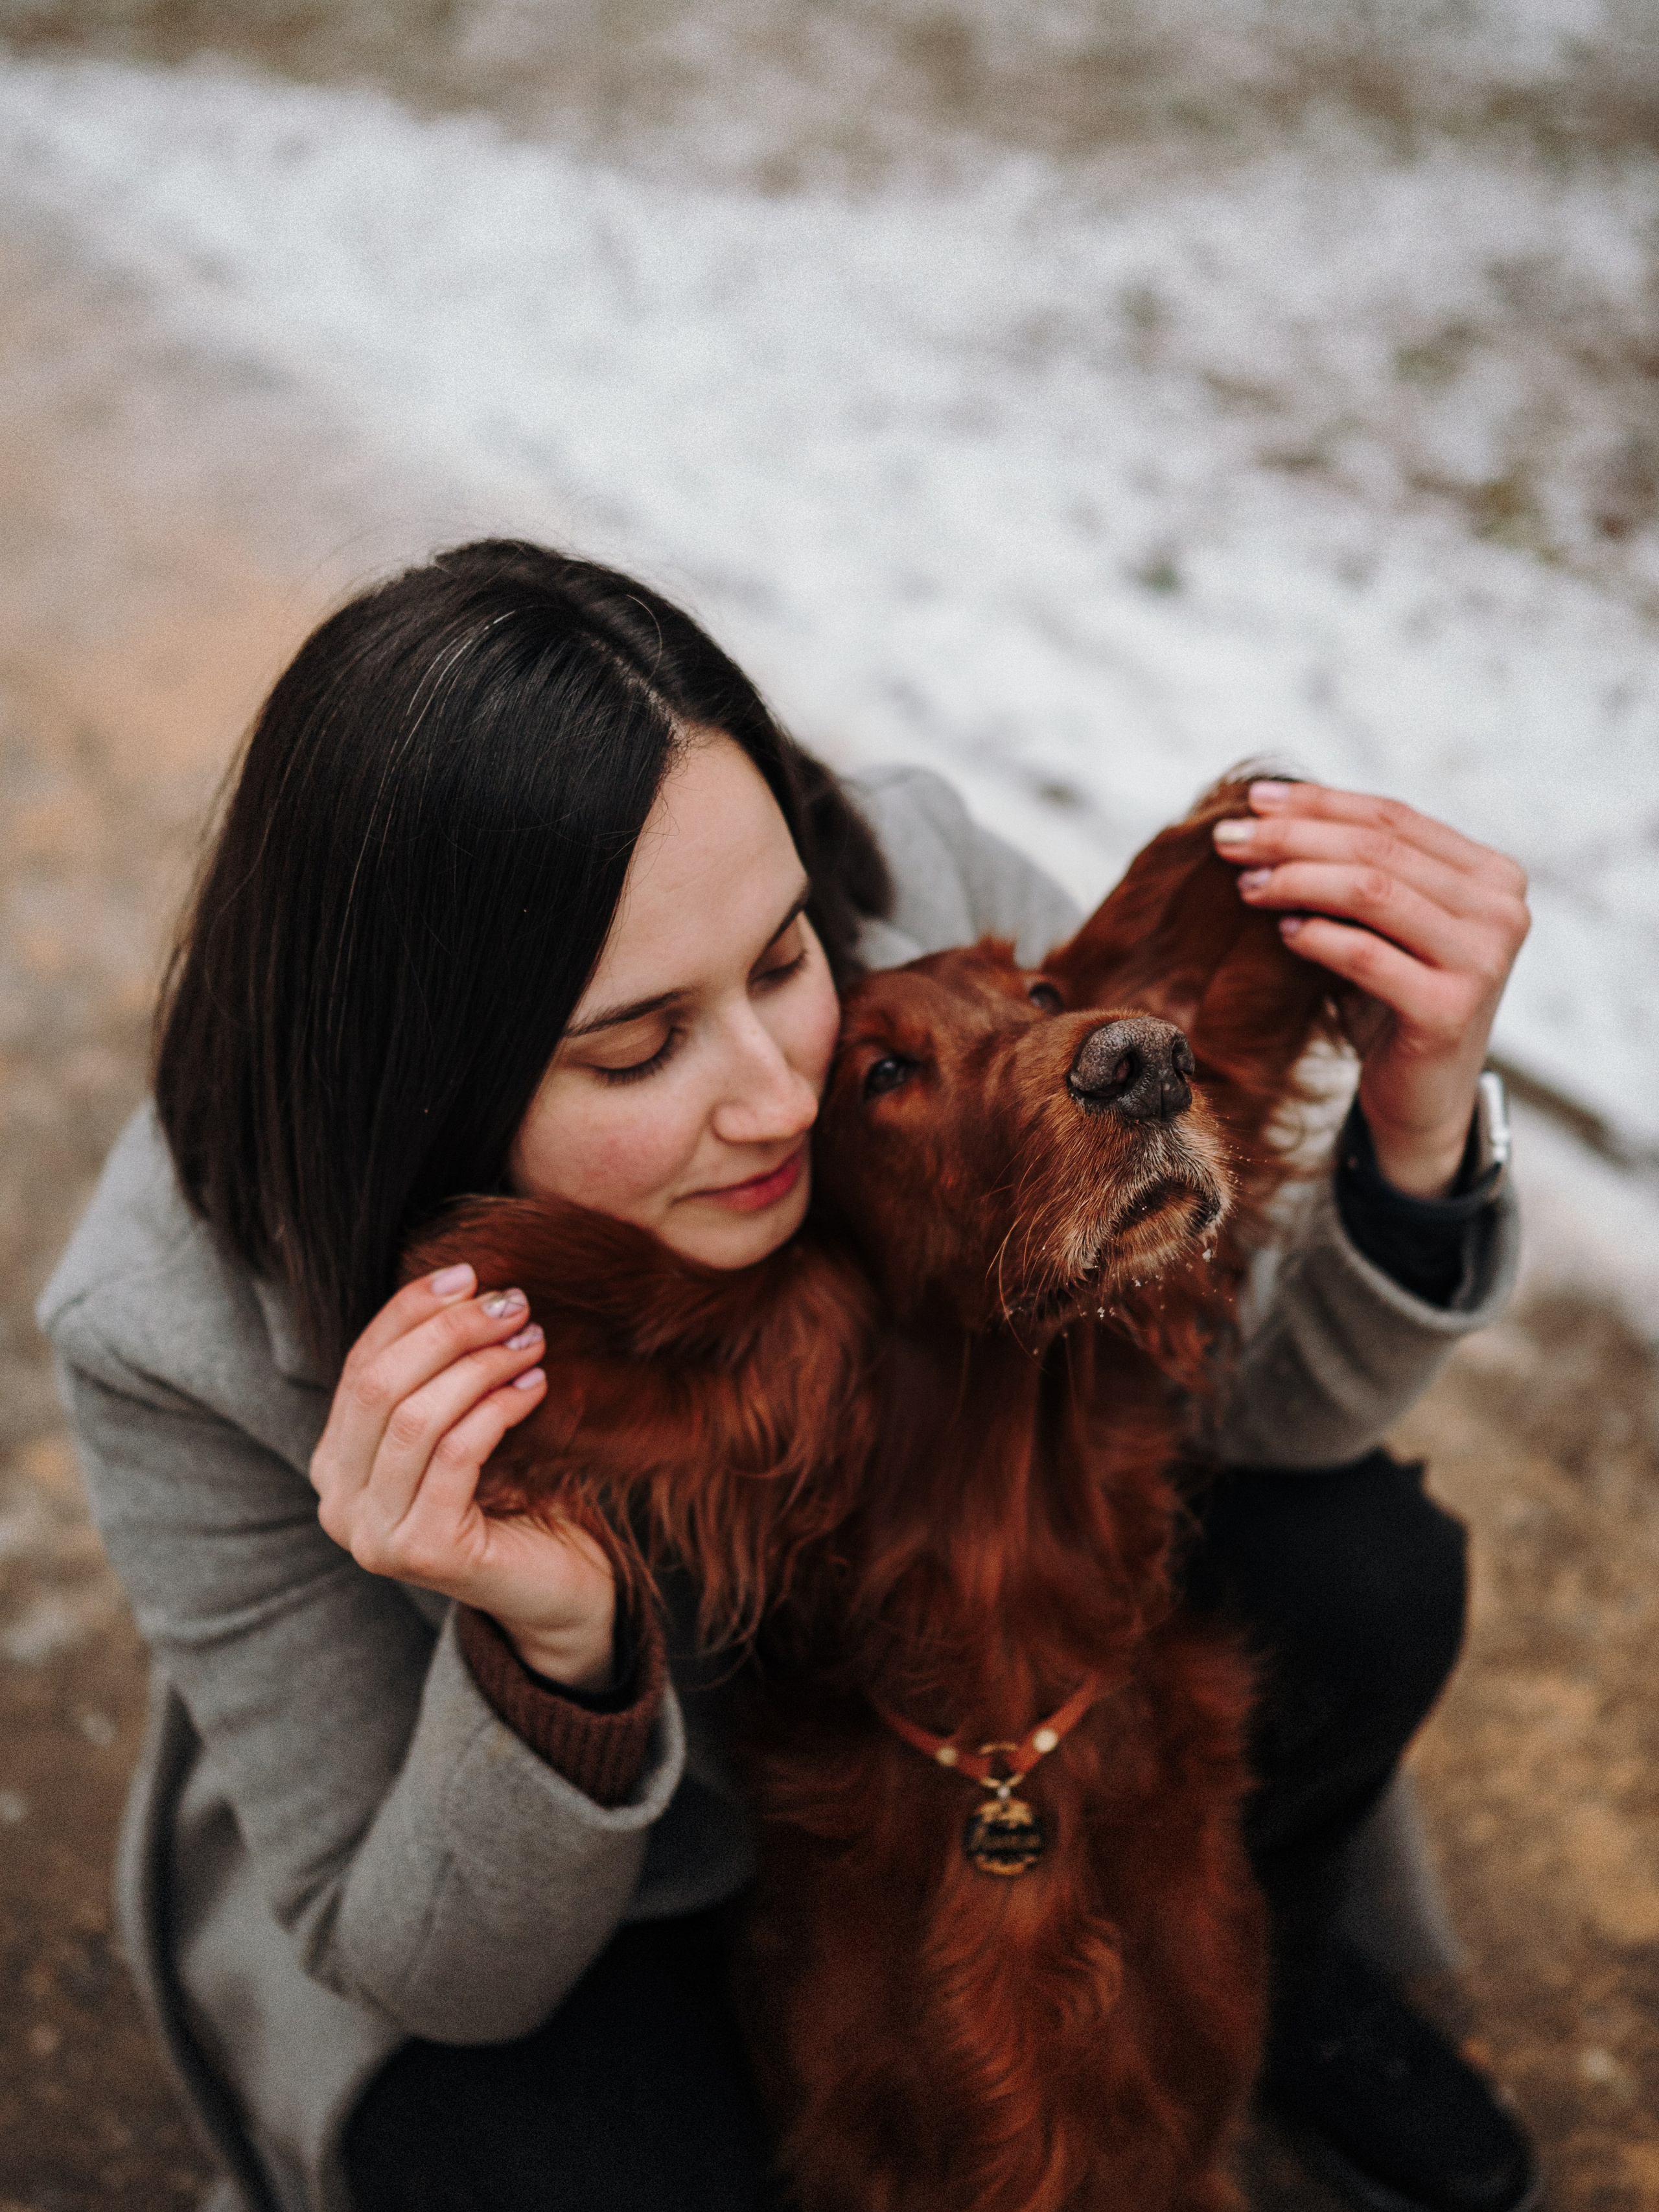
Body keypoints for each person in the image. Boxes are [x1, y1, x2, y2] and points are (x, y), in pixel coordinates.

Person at [38, 540, 1537, 2212]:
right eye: (636, 1046)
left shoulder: (915, 891)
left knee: (1356, 1573)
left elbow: (1227, 1384)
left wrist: (1417, 1139)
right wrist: (558, 1648)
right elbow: (432, 1965)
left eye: (776, 962)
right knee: (555, 2174)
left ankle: (1282, 1941)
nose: (771, 1094)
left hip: (966, 1709)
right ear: (430, 1081)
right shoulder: (172, 1331)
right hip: (601, 1891)